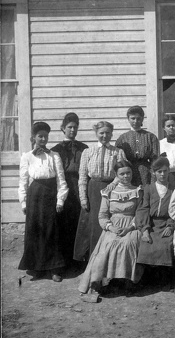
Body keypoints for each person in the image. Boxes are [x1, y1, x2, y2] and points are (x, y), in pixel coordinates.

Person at [78, 160, 144, 299]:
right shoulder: (109, 192)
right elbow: (102, 215)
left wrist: (129, 228)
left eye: (128, 173)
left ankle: (127, 281)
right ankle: (97, 283)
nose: (126, 176)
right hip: (113, 225)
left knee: (128, 244)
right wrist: (111, 227)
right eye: (122, 174)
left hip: (132, 225)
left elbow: (139, 213)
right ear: (116, 175)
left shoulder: (137, 190)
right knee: (108, 245)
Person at [18, 122, 69, 282]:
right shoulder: (27, 156)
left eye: (46, 136)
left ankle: (54, 268)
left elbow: (61, 179)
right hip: (34, 195)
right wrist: (24, 202)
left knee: (51, 231)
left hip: (50, 195)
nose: (43, 139)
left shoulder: (54, 155)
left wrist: (60, 200)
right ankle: (37, 267)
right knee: (35, 231)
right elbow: (23, 181)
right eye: (40, 136)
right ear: (33, 138)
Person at [75, 121, 126, 262]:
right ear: (96, 133)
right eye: (101, 133)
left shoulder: (118, 152)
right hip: (93, 190)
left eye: (108, 133)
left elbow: (123, 172)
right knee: (94, 225)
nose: (105, 135)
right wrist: (83, 198)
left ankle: (109, 261)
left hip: (112, 190)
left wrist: (112, 185)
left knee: (110, 223)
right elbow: (83, 176)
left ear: (112, 133)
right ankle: (93, 261)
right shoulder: (88, 152)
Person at [50, 113, 89, 267]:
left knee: (78, 222)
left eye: (75, 127)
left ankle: (77, 260)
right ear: (63, 128)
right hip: (63, 186)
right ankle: (62, 262)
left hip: (79, 185)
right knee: (63, 222)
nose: (72, 130)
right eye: (69, 127)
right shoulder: (56, 150)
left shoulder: (84, 148)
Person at [135, 157, 175, 288]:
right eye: (159, 171)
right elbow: (143, 209)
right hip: (151, 224)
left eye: (165, 171)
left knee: (166, 243)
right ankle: (147, 278)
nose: (162, 174)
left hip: (166, 223)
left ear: (169, 172)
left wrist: (171, 226)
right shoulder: (148, 189)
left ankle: (164, 279)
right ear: (153, 173)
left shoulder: (174, 189)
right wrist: (145, 229)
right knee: (146, 243)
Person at [115, 105, 160, 186]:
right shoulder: (122, 139)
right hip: (128, 174)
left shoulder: (151, 137)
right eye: (133, 118)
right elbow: (119, 161)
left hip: (146, 173)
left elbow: (155, 160)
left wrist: (153, 178)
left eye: (138, 118)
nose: (135, 121)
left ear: (142, 119)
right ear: (128, 119)